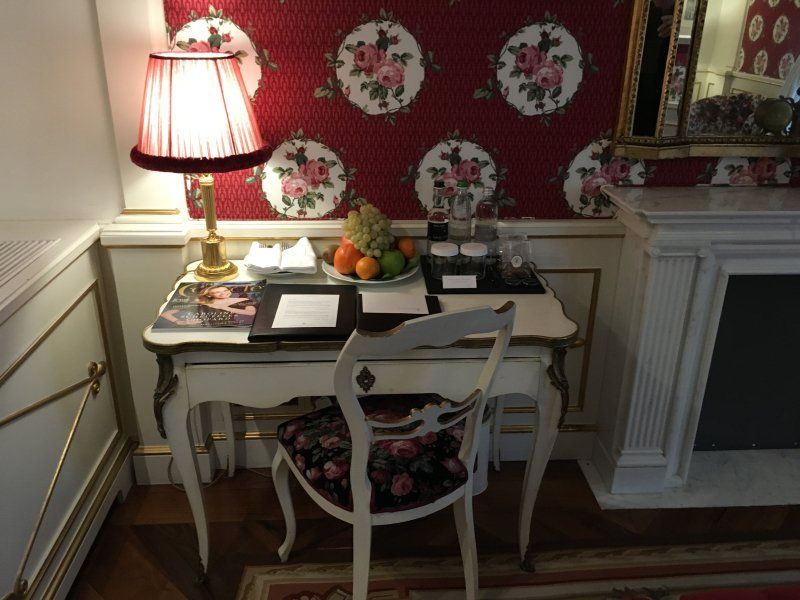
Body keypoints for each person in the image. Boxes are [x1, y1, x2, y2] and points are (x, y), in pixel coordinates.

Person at [632, 0, 677, 136]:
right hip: (633, 85)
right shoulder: (640, 8)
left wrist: (681, 27)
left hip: (664, 91)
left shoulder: (683, 12)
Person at [159, 285, 257, 327]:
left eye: (225, 290)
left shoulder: (243, 300)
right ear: (210, 295)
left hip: (230, 329)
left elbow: (251, 312)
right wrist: (180, 322)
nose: (223, 294)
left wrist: (226, 308)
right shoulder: (202, 303)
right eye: (217, 292)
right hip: (203, 330)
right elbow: (166, 314)